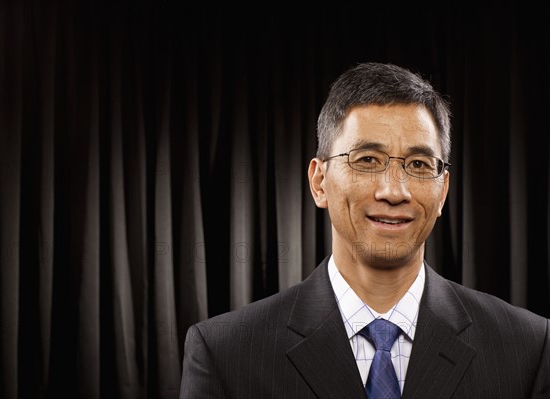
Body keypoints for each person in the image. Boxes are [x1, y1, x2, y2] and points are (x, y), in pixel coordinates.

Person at [179, 62, 550, 398]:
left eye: (419, 164)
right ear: (319, 181)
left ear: (443, 192)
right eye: (367, 160)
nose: (394, 191)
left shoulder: (527, 347)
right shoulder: (225, 354)